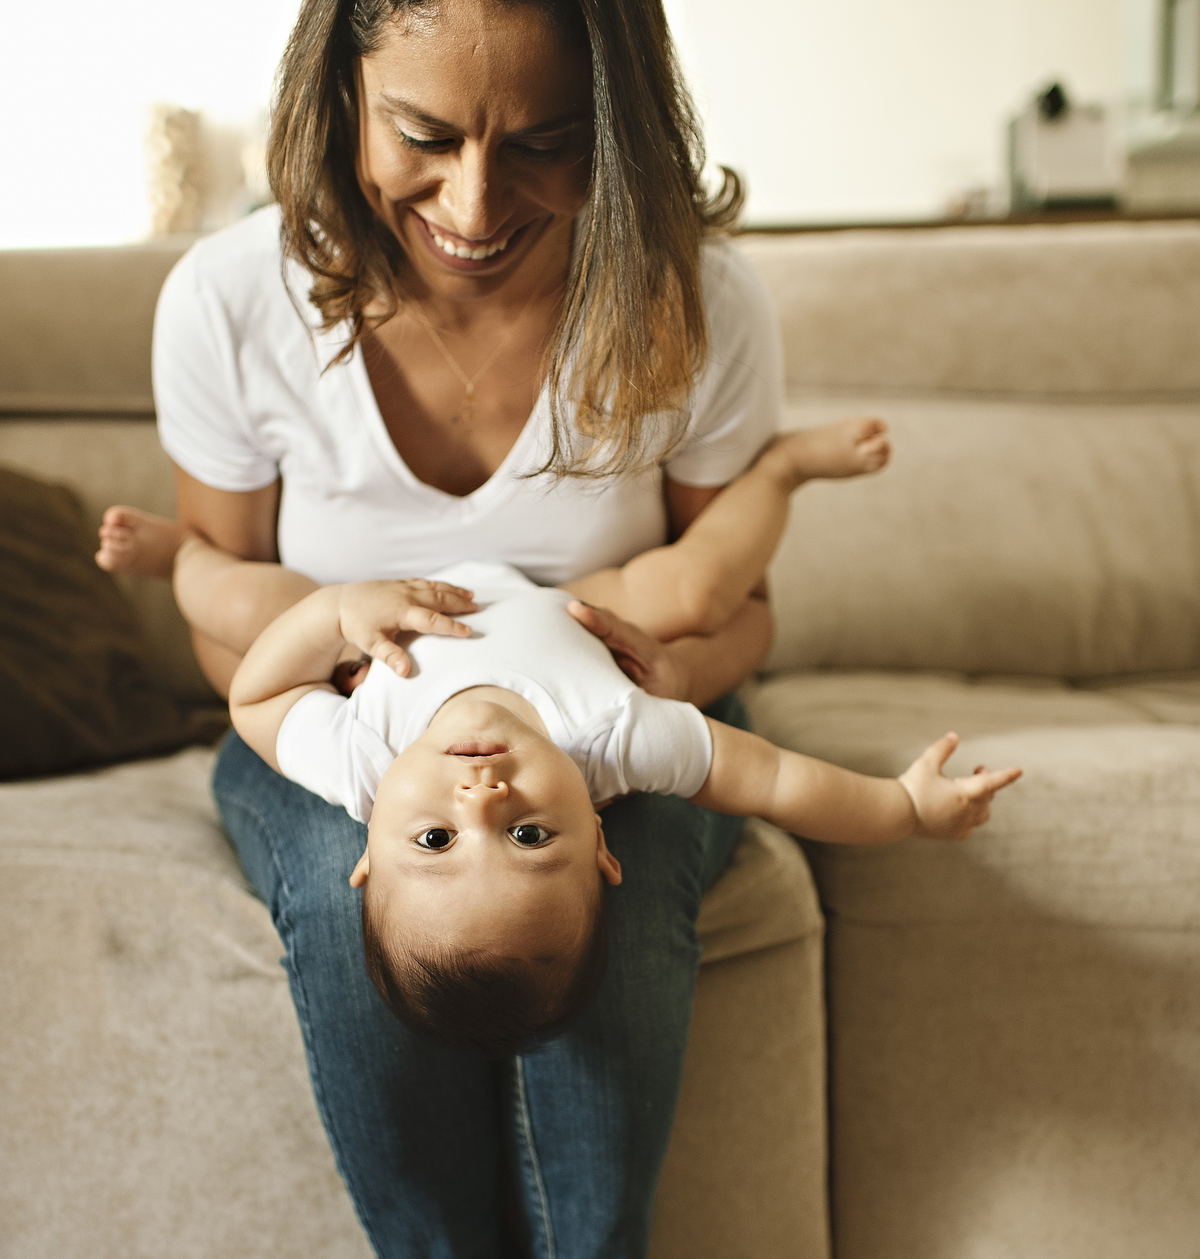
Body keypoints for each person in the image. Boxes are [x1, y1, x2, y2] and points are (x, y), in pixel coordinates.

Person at [96, 0, 891, 1259]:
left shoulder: (690, 296)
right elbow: (221, 604)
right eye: (424, 135)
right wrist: (338, 638)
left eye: (541, 140)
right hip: (335, 709)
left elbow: (742, 607)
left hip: (617, 704)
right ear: (338, 95)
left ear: (618, 111)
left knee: (618, 898)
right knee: (350, 915)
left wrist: (642, 663)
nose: (473, 200)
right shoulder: (233, 301)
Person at [105, 422, 1015, 1056]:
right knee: (695, 591)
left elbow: (259, 696)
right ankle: (780, 472)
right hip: (576, 603)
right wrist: (903, 808)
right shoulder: (619, 738)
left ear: (368, 853)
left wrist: (337, 615)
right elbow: (775, 781)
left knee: (251, 609)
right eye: (531, 835)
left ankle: (181, 556)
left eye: (435, 840)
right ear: (603, 843)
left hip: (378, 606)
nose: (481, 801)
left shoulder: (362, 762)